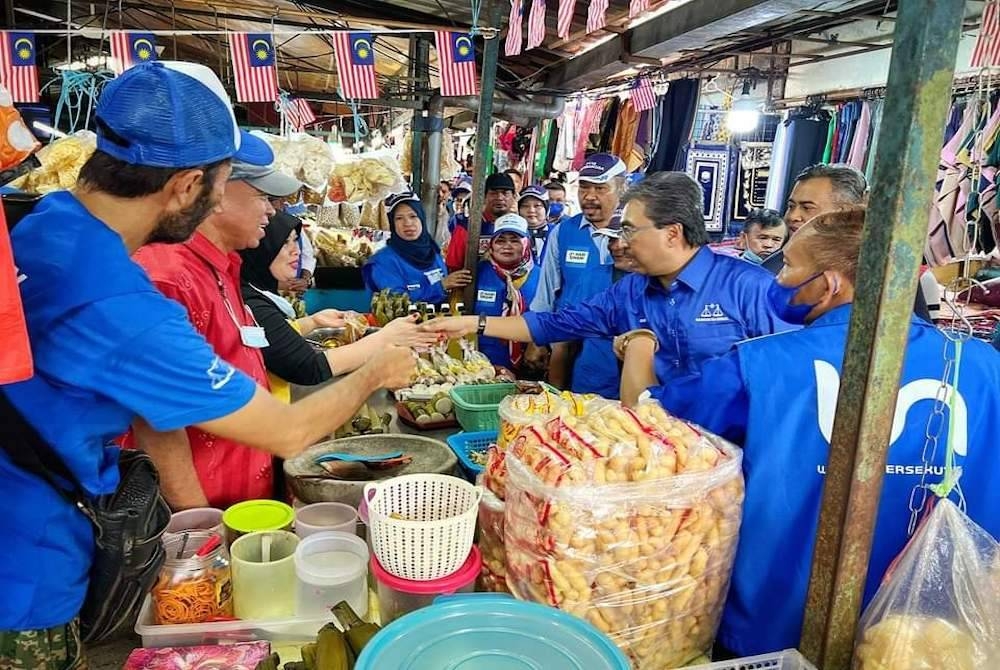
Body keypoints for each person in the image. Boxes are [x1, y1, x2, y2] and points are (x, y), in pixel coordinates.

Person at [0, 61, 414, 667]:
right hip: (29, 569)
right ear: (187, 186)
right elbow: (289, 430)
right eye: (224, 181)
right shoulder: (127, 303)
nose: (226, 197)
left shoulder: (48, 222)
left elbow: (147, 406)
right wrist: (376, 370)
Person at [621, 206, 1000, 657]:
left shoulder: (758, 365)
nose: (779, 279)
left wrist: (638, 347)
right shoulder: (985, 366)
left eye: (791, 265)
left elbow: (647, 423)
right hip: (931, 636)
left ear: (831, 283)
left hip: (776, 623)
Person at [423, 172, 790, 396]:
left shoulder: (750, 288)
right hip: (656, 456)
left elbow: (789, 379)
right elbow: (556, 322)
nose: (620, 241)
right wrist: (473, 323)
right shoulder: (630, 292)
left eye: (629, 229)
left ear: (672, 233)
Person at [131, 159, 307, 508]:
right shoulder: (166, 276)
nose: (271, 211)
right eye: (262, 197)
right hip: (202, 510)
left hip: (242, 491)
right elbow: (156, 422)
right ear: (217, 190)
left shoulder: (224, 267)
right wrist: (199, 527)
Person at [241, 214, 439, 402]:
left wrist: (312, 321)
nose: (297, 251)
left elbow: (272, 338)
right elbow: (309, 367)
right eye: (285, 243)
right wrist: (384, 338)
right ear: (261, 249)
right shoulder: (253, 304)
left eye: (296, 241)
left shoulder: (256, 294)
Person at [765, 163, 933, 322]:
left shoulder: (889, 269)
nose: (793, 216)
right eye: (791, 206)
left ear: (847, 212)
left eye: (807, 207)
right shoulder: (769, 269)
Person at [530, 153, 626, 396]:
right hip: (568, 346)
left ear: (622, 187)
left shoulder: (636, 232)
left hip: (620, 347)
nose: (589, 196)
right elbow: (547, 291)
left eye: (600, 188)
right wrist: (536, 340)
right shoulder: (563, 232)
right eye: (584, 187)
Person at [364, 192, 471, 304]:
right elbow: (397, 303)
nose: (407, 223)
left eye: (413, 216)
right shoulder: (383, 262)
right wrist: (441, 286)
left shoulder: (432, 251)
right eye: (399, 218)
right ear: (392, 224)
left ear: (421, 219)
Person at [473, 214, 541, 370]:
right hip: (483, 365)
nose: (507, 246)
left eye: (515, 240)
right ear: (492, 245)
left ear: (526, 244)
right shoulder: (477, 273)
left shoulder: (542, 275)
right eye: (501, 241)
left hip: (529, 364)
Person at [445, 172, 517, 272]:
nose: (500, 198)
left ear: (514, 197)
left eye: (505, 193)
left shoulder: (519, 228)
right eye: (494, 193)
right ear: (484, 197)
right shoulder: (465, 226)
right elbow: (453, 268)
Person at [517, 184, 552, 262]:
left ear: (547, 209)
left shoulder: (558, 233)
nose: (531, 210)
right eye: (525, 206)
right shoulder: (513, 234)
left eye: (537, 206)